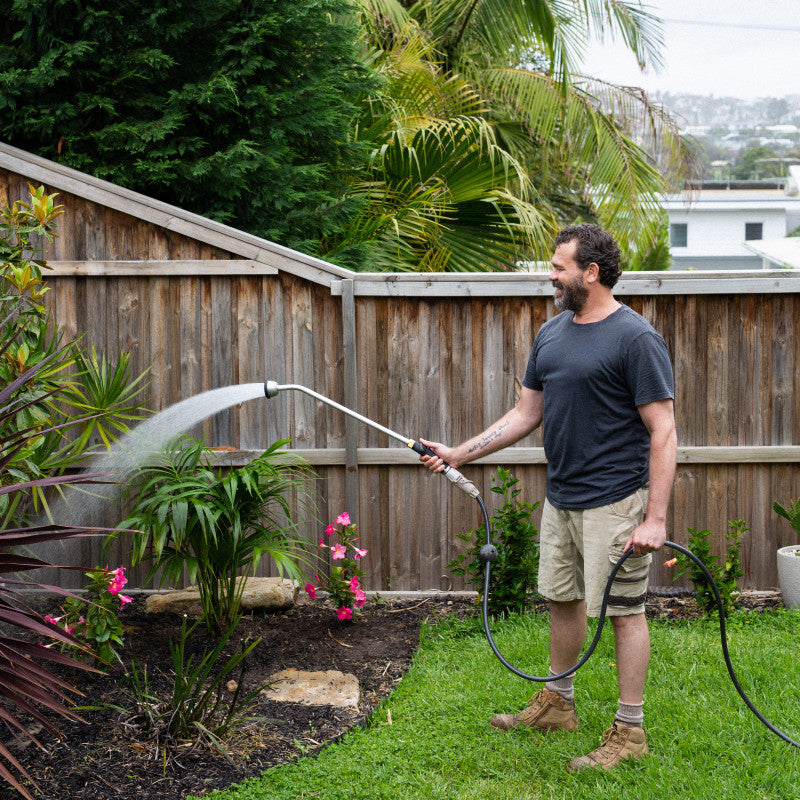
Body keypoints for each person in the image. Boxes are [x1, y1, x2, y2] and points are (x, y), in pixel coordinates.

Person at [420, 223, 676, 772]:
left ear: (591, 272)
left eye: (559, 267)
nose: (550, 275)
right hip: (562, 497)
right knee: (562, 597)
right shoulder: (552, 333)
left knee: (625, 613)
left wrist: (655, 517)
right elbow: (525, 414)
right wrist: (461, 453)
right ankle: (558, 702)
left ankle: (630, 732)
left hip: (615, 500)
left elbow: (664, 430)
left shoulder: (636, 339)